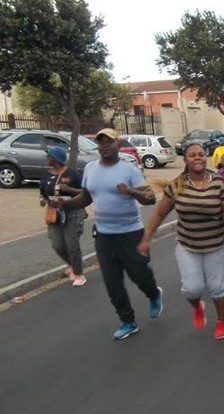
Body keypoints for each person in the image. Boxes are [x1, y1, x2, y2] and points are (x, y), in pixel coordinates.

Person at [53, 128, 163, 340]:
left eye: (109, 142)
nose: (105, 146)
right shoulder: (91, 169)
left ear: (117, 145)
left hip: (131, 233)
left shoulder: (129, 169)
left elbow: (149, 198)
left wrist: (131, 192)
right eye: (101, 143)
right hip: (104, 235)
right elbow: (86, 198)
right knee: (112, 282)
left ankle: (154, 294)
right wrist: (65, 204)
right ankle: (128, 321)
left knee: (139, 275)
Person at [138, 143, 224, 340]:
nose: (197, 158)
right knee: (191, 289)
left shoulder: (219, 183)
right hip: (187, 245)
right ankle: (197, 307)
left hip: (215, 244)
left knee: (217, 287)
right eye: (192, 155)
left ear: (206, 158)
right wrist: (146, 239)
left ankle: (221, 321)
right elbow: (159, 213)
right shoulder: (178, 185)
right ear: (185, 159)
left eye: (201, 154)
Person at [39, 146, 87, 286]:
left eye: (49, 156)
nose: (47, 158)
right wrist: (43, 200)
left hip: (73, 212)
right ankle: (71, 264)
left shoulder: (72, 174)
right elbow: (42, 193)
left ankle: (79, 274)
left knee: (72, 245)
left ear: (57, 159)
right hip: (55, 214)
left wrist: (69, 189)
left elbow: (85, 192)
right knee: (57, 245)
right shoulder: (46, 175)